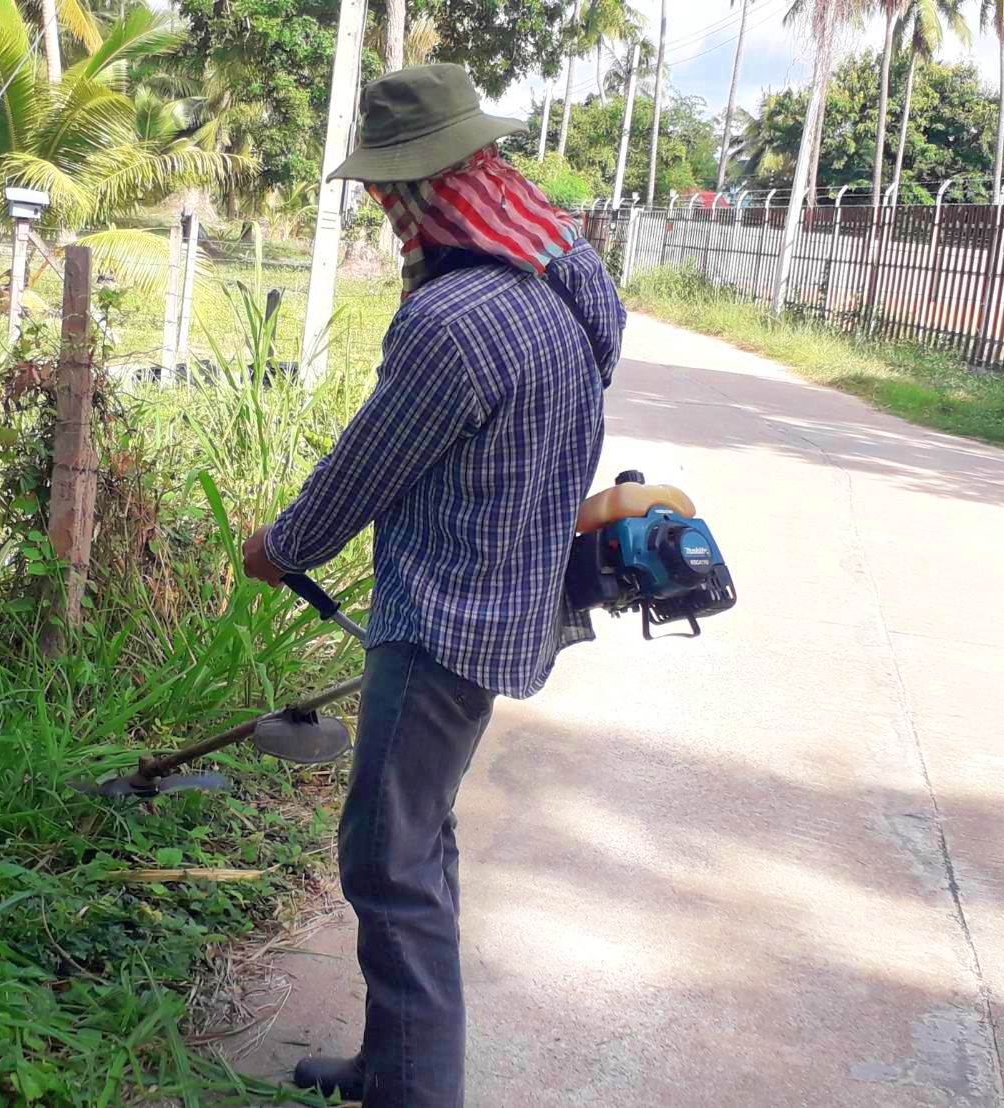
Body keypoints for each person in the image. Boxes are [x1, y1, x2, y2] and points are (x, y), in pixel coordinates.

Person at [241, 63, 626, 1108]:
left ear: (408, 193)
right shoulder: (568, 279)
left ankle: (416, 1092)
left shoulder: (450, 322)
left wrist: (275, 547)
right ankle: (393, 1060)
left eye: (385, 195)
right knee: (421, 835)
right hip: (515, 599)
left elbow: (362, 472)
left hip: (445, 623)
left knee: (386, 859)